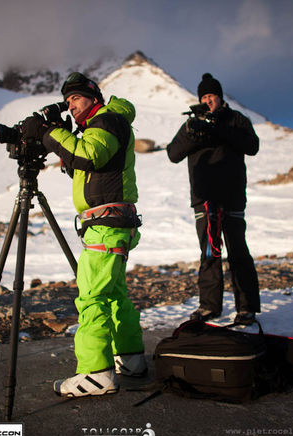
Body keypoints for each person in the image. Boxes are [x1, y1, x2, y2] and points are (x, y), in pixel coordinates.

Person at [22, 72, 146, 398]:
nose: (71, 105)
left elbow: (90, 155)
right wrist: (60, 140)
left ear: (93, 97)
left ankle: (96, 374)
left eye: (75, 98)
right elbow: (86, 167)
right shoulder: (101, 126)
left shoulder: (107, 121)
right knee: (115, 296)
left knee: (92, 298)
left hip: (106, 226)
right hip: (111, 223)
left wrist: (50, 131)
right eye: (67, 101)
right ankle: (131, 359)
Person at [166, 73, 260, 325]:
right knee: (209, 252)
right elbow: (173, 153)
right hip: (203, 198)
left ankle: (246, 308)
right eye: (204, 97)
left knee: (238, 252)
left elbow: (252, 146)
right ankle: (209, 307)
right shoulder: (192, 122)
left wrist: (219, 127)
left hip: (231, 197)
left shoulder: (236, 119)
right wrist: (192, 131)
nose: (208, 101)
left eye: (212, 96)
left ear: (220, 97)